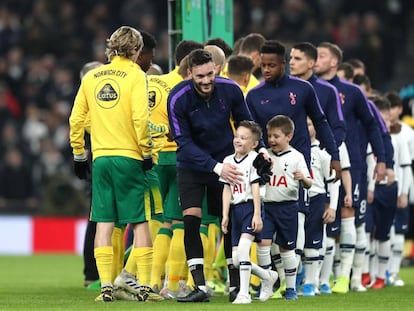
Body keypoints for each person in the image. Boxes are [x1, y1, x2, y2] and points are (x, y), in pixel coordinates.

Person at [167, 49, 261, 302]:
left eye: (210, 74)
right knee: (190, 220)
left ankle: (234, 284)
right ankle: (200, 287)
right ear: (189, 74)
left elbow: (246, 124)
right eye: (200, 76)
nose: (207, 80)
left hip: (226, 162)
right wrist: (214, 166)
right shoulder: (177, 97)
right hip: (192, 166)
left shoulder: (230, 90)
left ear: (216, 69)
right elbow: (182, 141)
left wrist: (258, 155)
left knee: (228, 221)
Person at [69, 26, 155, 302]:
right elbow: (140, 119)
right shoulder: (136, 75)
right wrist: (146, 152)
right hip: (129, 156)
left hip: (101, 158)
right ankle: (143, 285)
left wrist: (79, 154)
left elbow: (76, 120)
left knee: (103, 222)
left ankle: (105, 285)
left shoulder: (92, 76)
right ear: (136, 49)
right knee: (139, 222)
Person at [315, 41, 386, 293]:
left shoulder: (352, 92)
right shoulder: (307, 88)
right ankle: (318, 278)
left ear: (334, 62)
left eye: (321, 56)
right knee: (317, 216)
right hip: (314, 161)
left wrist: (381, 159)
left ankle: (348, 277)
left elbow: (372, 125)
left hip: (350, 162)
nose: (316, 59)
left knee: (348, 214)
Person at [221, 120, 278, 304]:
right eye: (237, 136)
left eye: (243, 138)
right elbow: (226, 189)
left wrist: (256, 214)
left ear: (253, 144)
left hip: (249, 207)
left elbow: (255, 188)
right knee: (237, 259)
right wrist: (225, 215)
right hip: (235, 210)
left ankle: (244, 294)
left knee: (244, 250)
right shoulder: (228, 161)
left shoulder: (254, 159)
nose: (238, 140)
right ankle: (268, 276)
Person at [257, 115, 313, 300]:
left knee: (286, 249)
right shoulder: (264, 156)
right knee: (263, 244)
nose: (271, 140)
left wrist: (303, 179)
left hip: (288, 208)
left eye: (276, 136)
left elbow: (309, 183)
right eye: (269, 136)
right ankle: (266, 284)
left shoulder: (297, 157)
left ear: (289, 136)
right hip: (267, 207)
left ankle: (290, 288)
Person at [78, 60, 103, 289]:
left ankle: (97, 272)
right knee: (97, 218)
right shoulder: (86, 105)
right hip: (99, 164)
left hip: (102, 162)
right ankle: (93, 272)